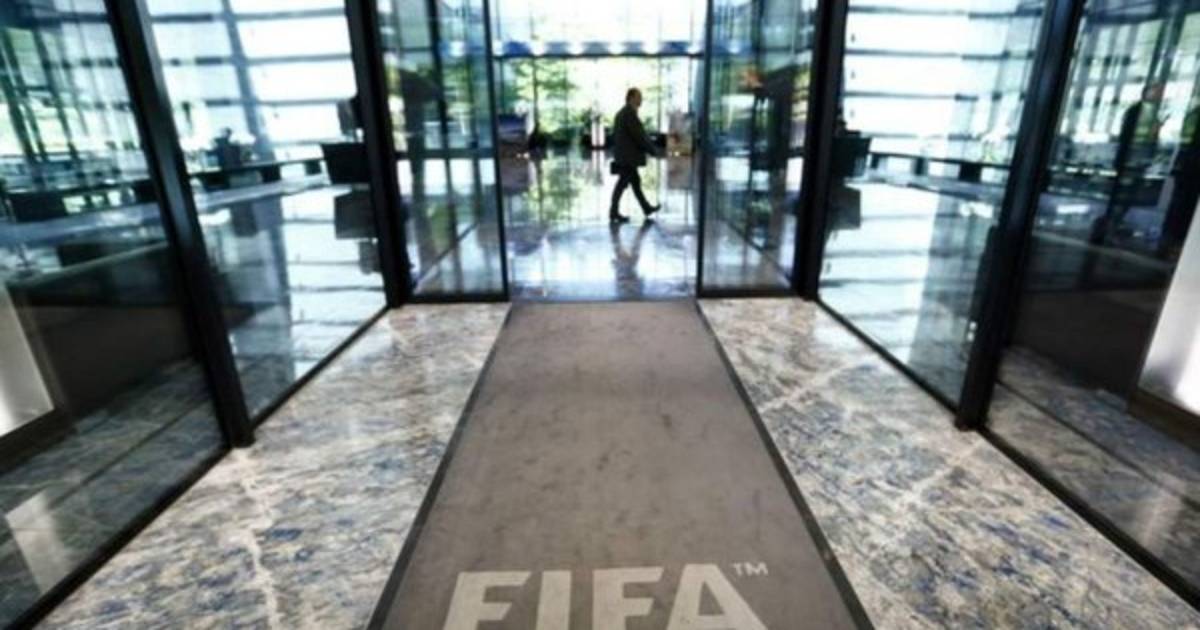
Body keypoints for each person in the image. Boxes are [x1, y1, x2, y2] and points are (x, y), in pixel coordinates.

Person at [610, 88, 661, 224]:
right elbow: (639, 136)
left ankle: (646, 208)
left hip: (625, 156)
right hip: (628, 158)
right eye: (638, 96)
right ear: (631, 98)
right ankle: (614, 212)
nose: (641, 99)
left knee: (635, 183)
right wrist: (653, 150)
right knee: (622, 184)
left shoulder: (623, 113)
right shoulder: (629, 114)